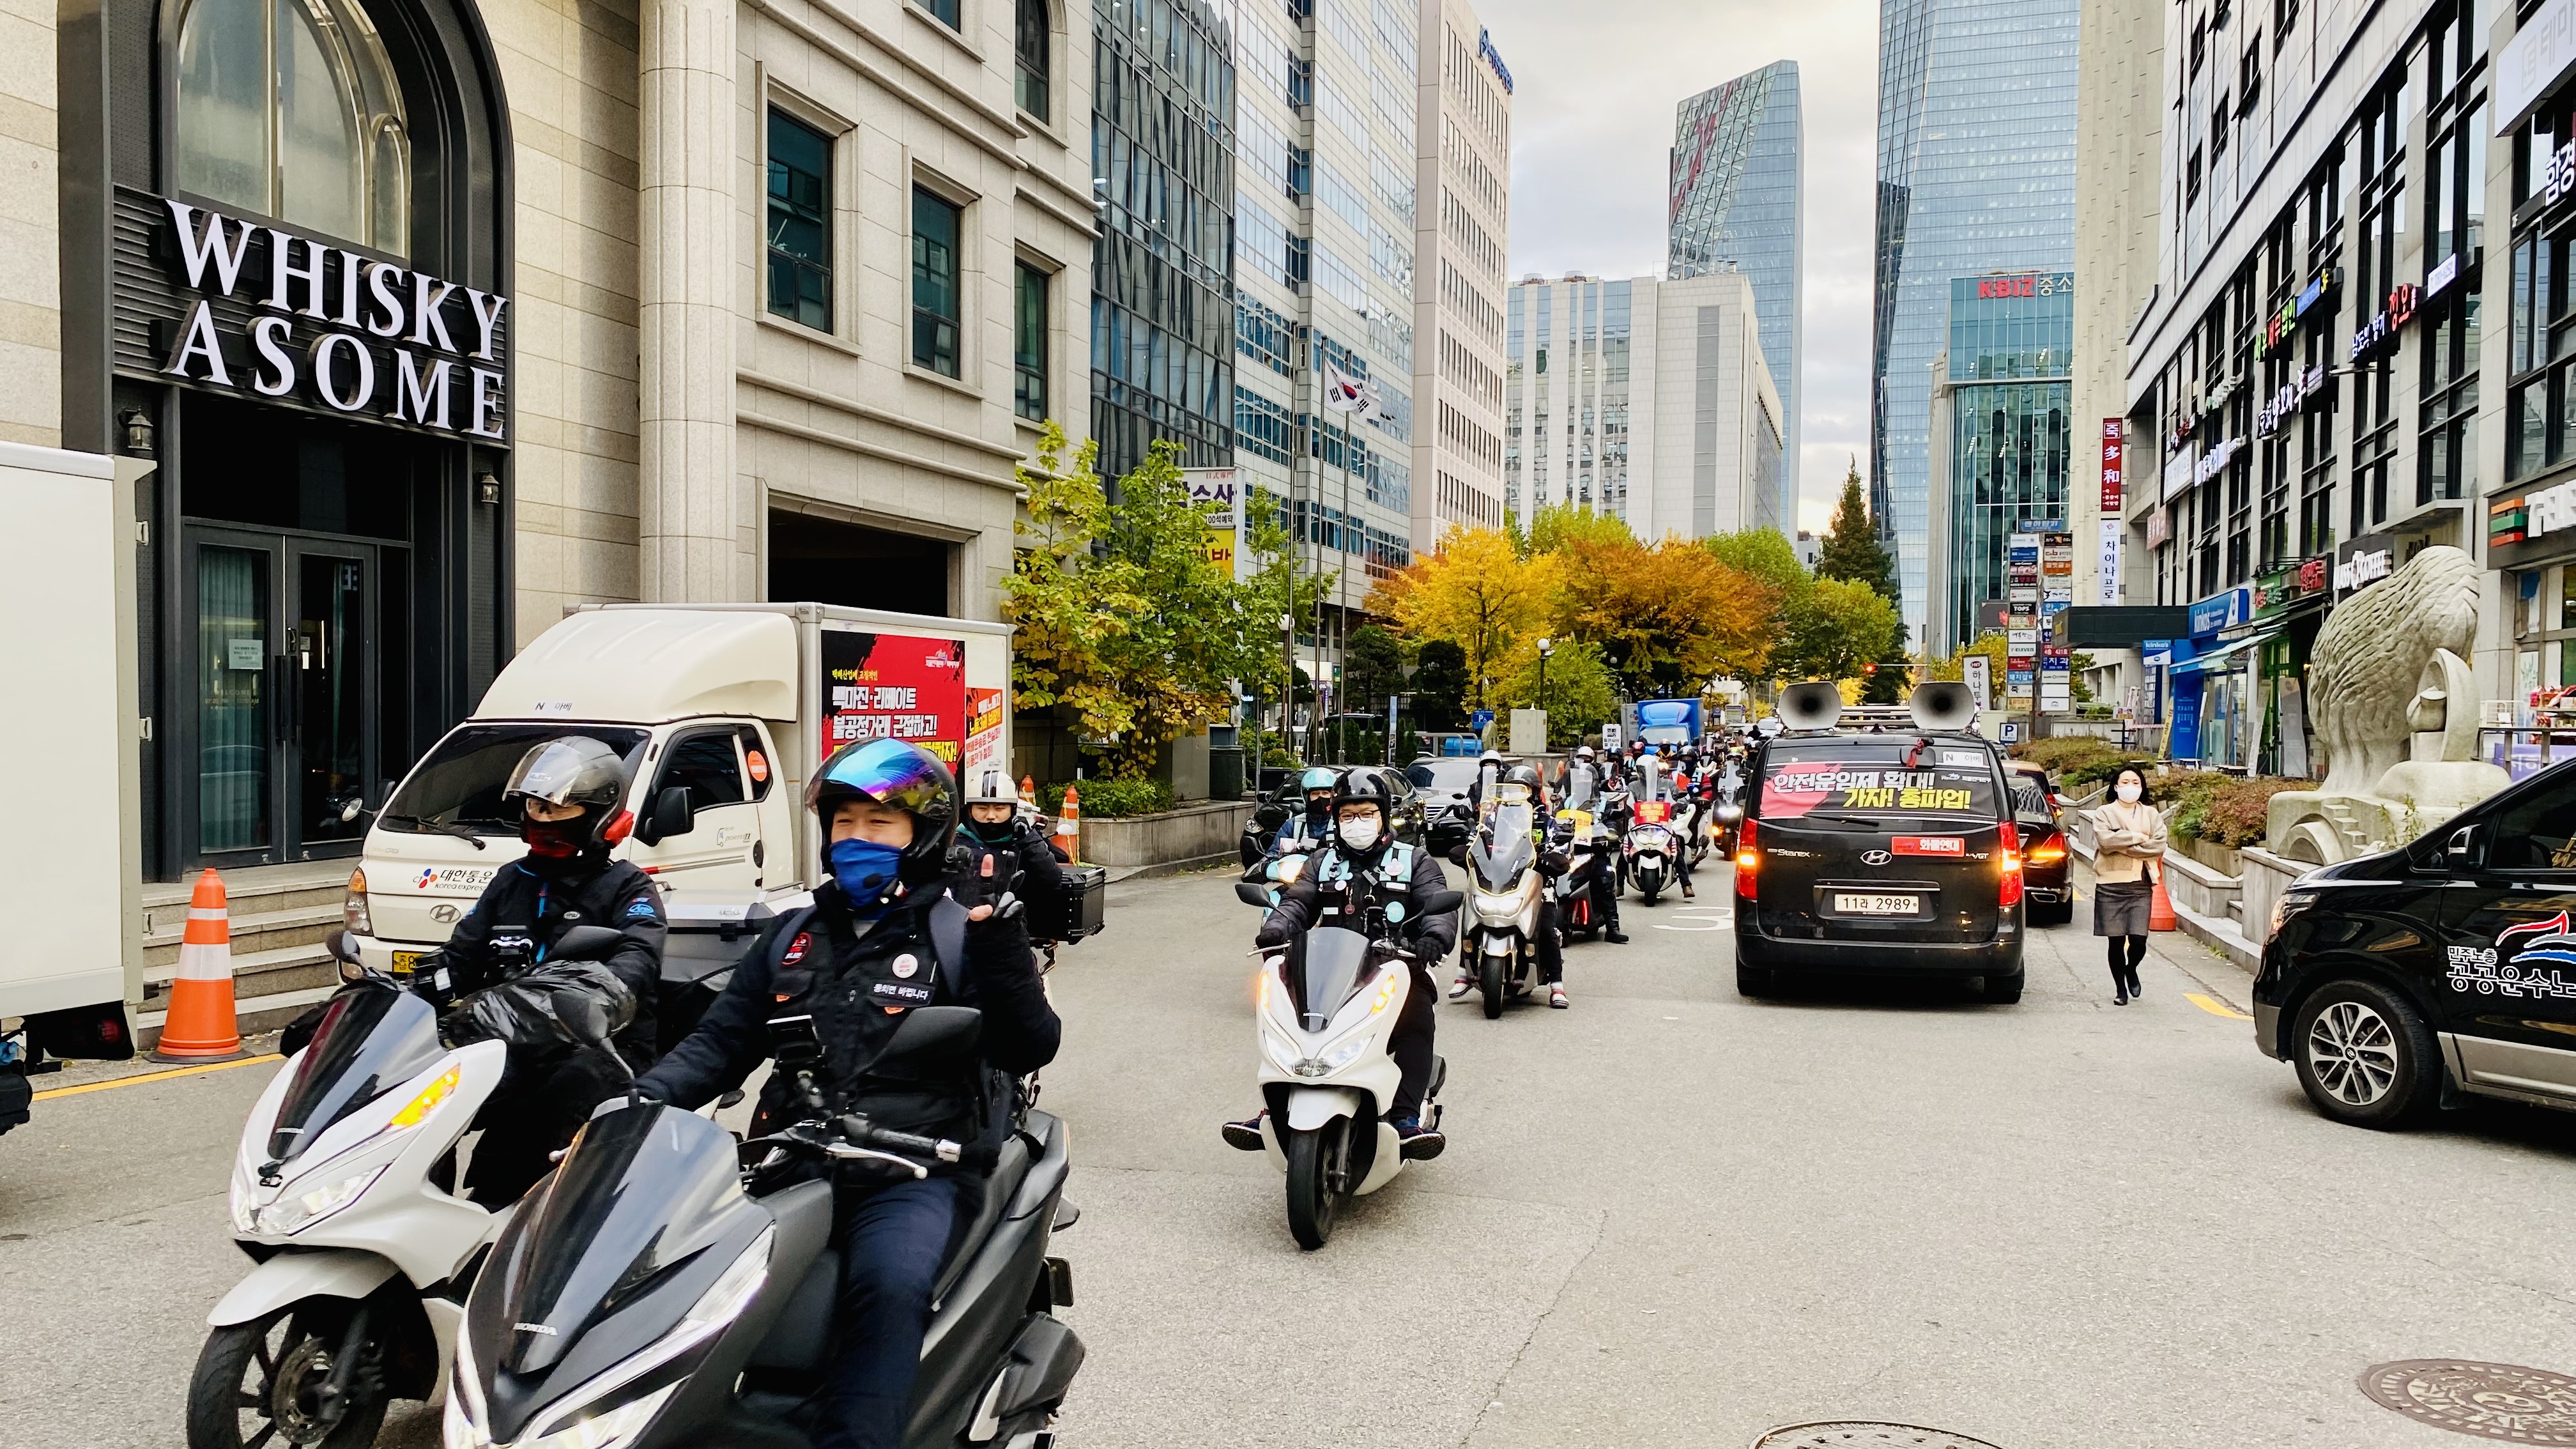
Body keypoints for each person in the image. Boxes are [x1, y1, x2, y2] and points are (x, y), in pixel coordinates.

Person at [634, 739, 1060, 1449]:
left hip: (912, 1170)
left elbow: (1029, 1047)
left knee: (889, 1285)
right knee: (676, 1276)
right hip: (790, 1159)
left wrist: (1002, 948)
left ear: (921, 835)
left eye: (879, 823)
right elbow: (718, 1046)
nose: (856, 838)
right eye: (844, 822)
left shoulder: (959, 932)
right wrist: (634, 1104)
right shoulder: (792, 935)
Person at [422, 735, 665, 1205]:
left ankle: (541, 1215)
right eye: (536, 807)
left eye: (558, 809)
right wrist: (400, 994)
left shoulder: (627, 886)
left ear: (599, 814)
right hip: (514, 1043)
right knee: (428, 1100)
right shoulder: (511, 880)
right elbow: (461, 958)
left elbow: (638, 959)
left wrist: (593, 996)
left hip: (601, 1046)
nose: (543, 819)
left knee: (552, 1108)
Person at [1223, 769, 1461, 1153]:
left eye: (1366, 813)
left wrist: (1434, 937)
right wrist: (1276, 927)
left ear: (1383, 815)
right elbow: (1298, 902)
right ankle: (1273, 1110)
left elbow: (1437, 902)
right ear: (1336, 818)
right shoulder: (1321, 862)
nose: (1357, 822)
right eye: (1348, 815)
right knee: (1284, 1021)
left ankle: (1405, 1119)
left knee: (1417, 1020)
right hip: (1332, 971)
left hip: (1396, 967)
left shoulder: (1415, 861)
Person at [1448, 764, 1572, 1008]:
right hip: (1496, 880)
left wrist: (1552, 858)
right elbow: (1475, 841)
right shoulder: (1493, 819)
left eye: (1523, 789)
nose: (1517, 794)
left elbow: (1560, 848)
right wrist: (1469, 853)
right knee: (1471, 913)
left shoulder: (1544, 820)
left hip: (1536, 883)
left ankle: (1557, 986)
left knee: (1547, 926)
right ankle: (1464, 972)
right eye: (1513, 789)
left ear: (1534, 792)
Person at [2090, 765, 2167, 1005]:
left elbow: (2159, 845)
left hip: (2140, 884)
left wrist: (2122, 843)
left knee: (2138, 940)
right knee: (2115, 941)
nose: (2130, 787)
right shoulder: (2104, 813)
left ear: (2142, 787)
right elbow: (2105, 842)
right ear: (2116, 786)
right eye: (2125, 782)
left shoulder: (2152, 815)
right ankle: (2120, 990)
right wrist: (2139, 838)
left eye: (2135, 782)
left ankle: (2131, 968)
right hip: (2110, 884)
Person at [958, 768, 1065, 935]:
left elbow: (1051, 878)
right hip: (958, 927)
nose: (991, 816)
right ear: (970, 811)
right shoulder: (955, 839)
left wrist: (1029, 839)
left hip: (1009, 929)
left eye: (999, 808)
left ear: (1012, 810)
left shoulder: (1024, 840)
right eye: (982, 808)